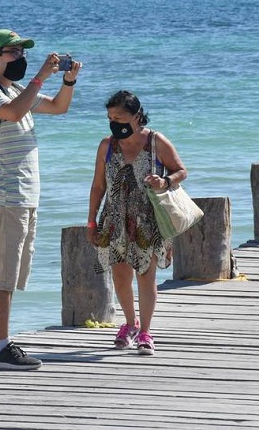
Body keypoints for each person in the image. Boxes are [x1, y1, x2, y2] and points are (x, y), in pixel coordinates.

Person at [0, 29, 81, 370]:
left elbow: (59, 108)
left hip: (23, 197)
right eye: (13, 53)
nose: (20, 59)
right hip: (3, 196)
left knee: (13, 274)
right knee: (2, 275)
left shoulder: (17, 89)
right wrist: (40, 76)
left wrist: (68, 81)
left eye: (22, 54)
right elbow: (13, 114)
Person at [85, 90, 187, 355]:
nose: (114, 122)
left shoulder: (156, 142)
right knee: (119, 276)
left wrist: (165, 181)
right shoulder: (107, 145)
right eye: (110, 117)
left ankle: (146, 333)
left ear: (137, 116)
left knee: (146, 275)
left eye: (119, 117)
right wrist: (91, 222)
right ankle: (130, 324)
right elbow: (98, 186)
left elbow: (180, 171)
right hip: (114, 218)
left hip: (148, 219)